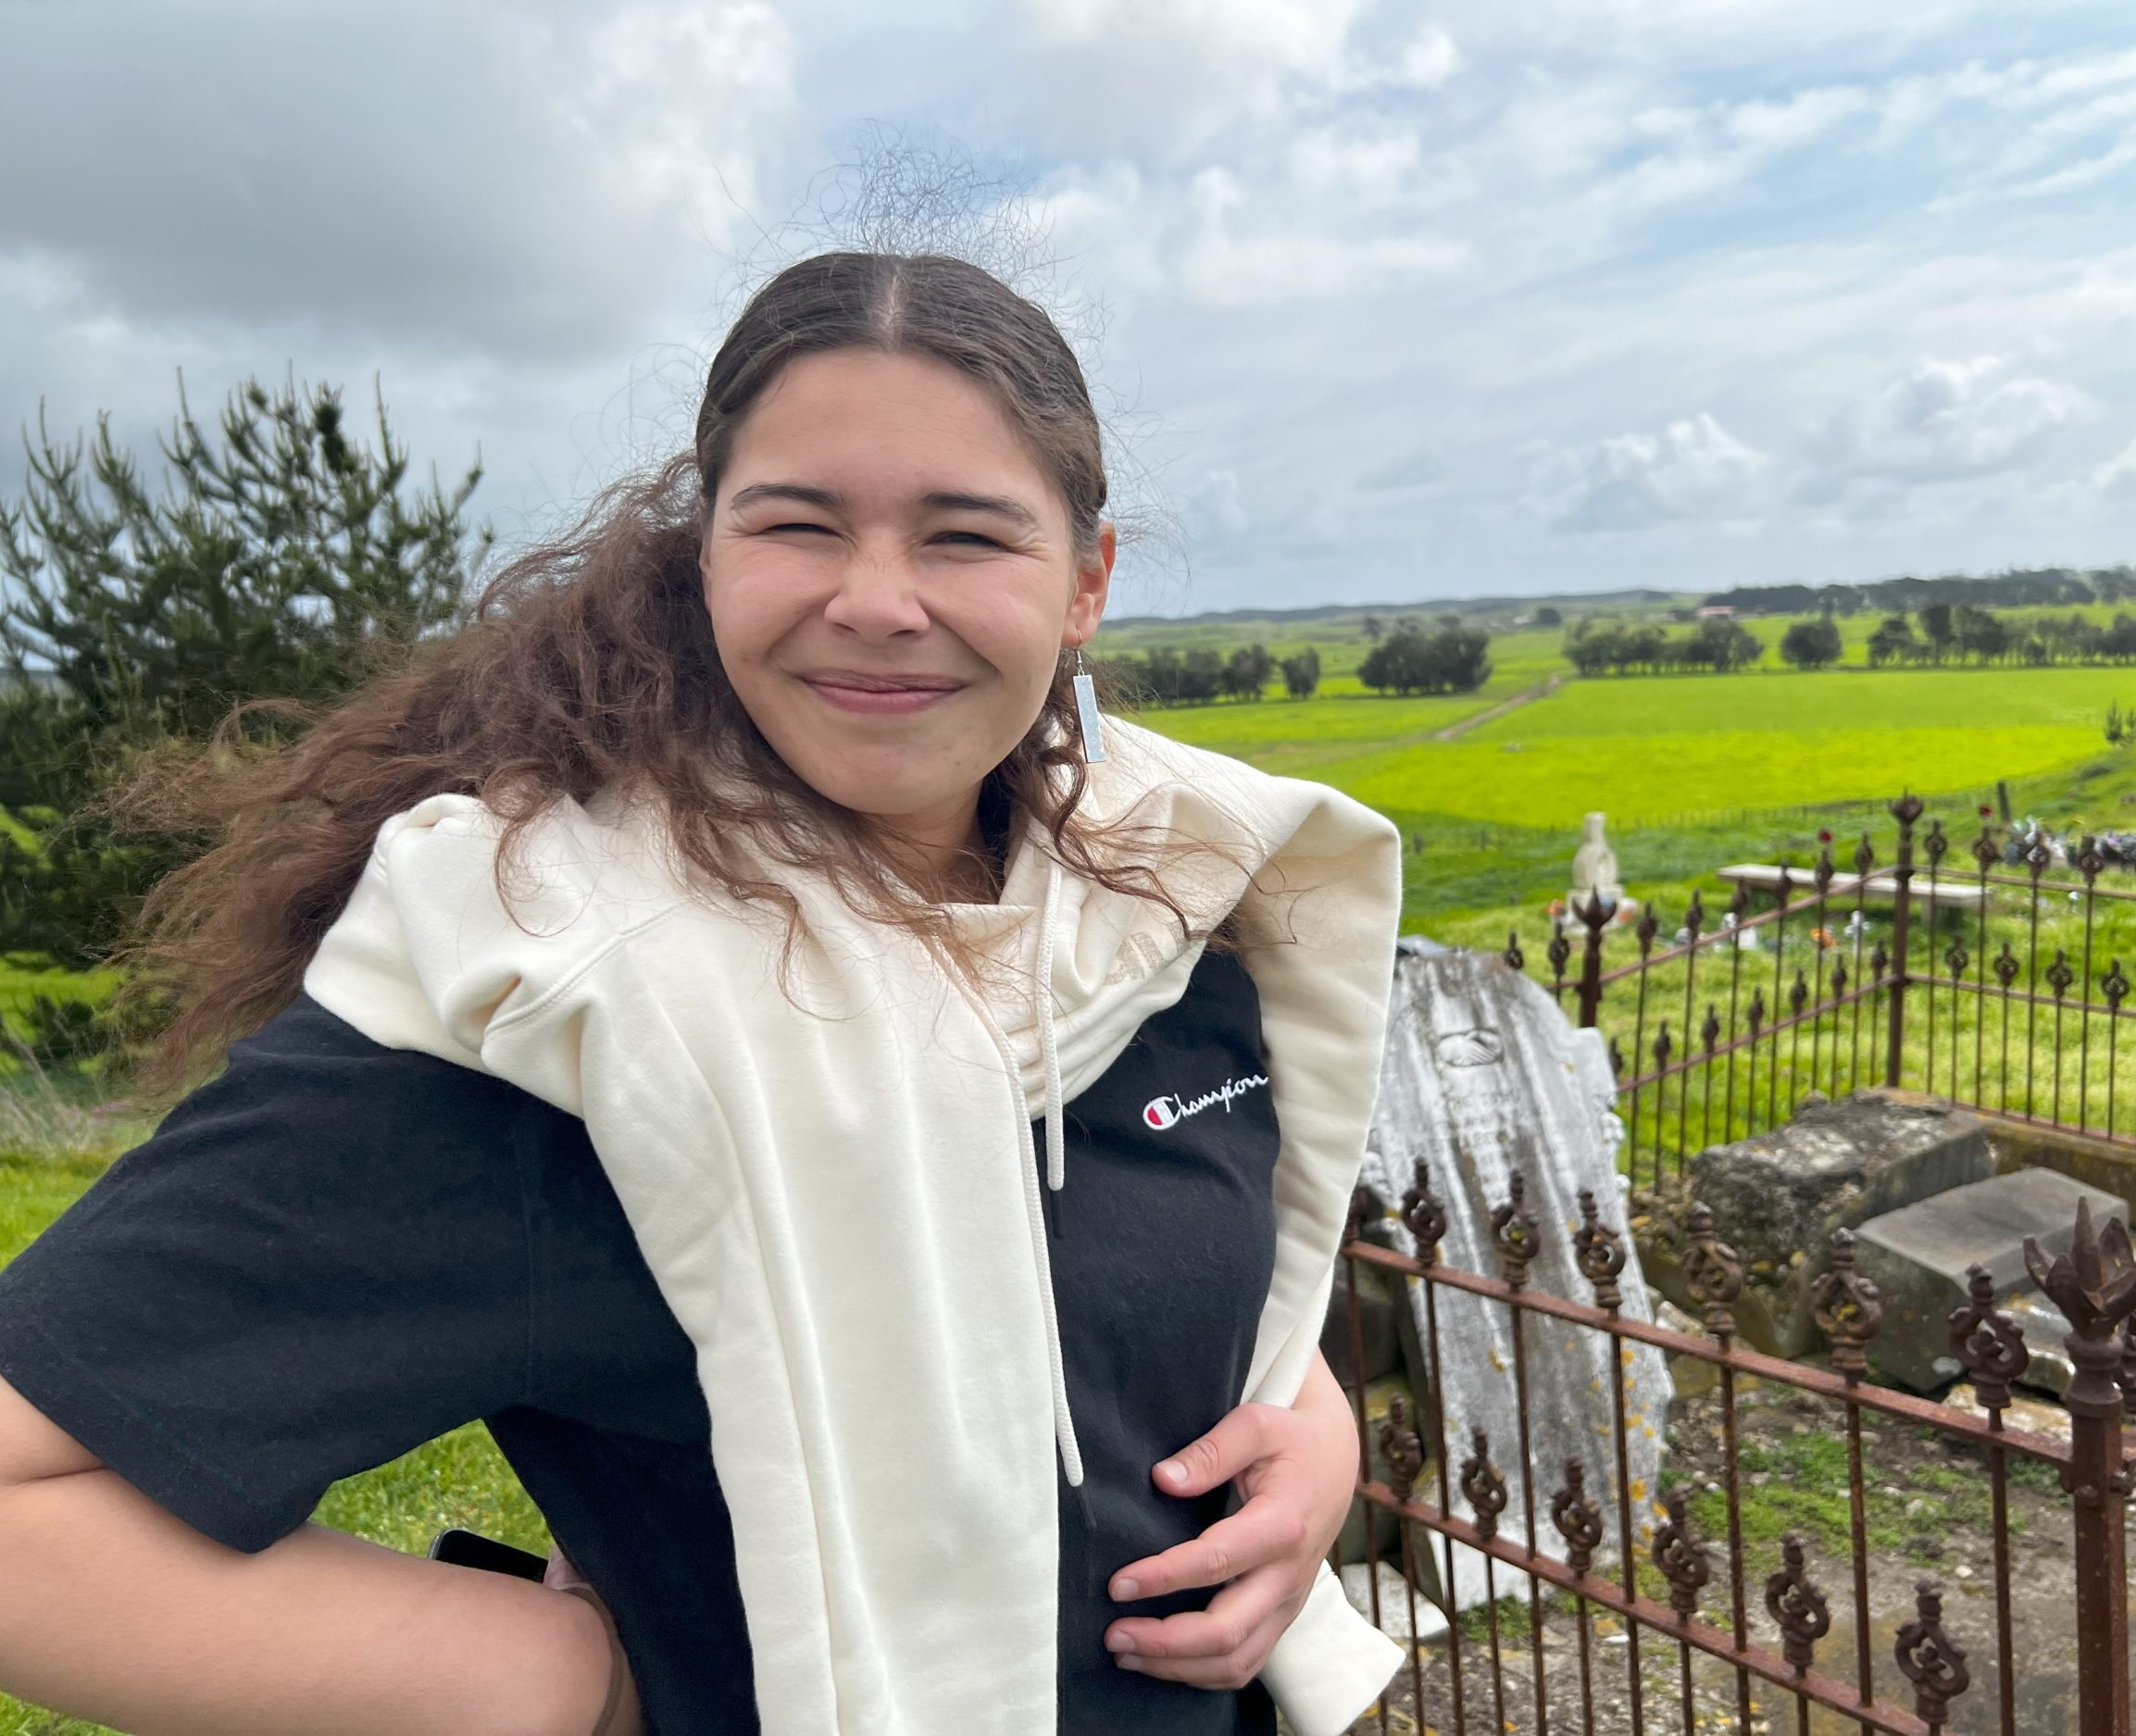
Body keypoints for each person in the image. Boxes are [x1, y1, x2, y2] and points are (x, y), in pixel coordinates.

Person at [0, 250, 1405, 1734]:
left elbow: (1127, 1258)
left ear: (1087, 586)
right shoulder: (561, 998)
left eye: (967, 536)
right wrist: (539, 1679)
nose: (877, 602)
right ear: (708, 559)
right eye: (798, 525)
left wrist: (1305, 1418)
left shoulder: (1167, 892)